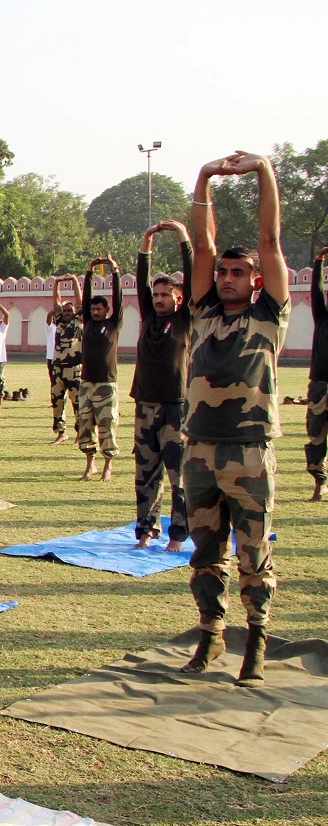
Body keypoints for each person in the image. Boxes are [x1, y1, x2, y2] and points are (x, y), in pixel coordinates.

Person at [179, 151, 290, 688]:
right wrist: (203, 178)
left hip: (248, 448)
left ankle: (258, 640)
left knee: (253, 552)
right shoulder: (202, 311)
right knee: (205, 551)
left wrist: (263, 170)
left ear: (256, 279)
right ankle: (210, 633)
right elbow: (201, 244)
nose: (225, 278)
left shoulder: (269, 313)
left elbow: (270, 241)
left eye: (237, 273)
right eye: (222, 272)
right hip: (198, 447)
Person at [132, 220, 193, 551]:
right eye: (155, 295)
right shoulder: (149, 317)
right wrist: (146, 242)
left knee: (177, 476)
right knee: (146, 474)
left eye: (164, 295)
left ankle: (179, 533)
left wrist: (183, 238)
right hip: (144, 405)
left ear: (178, 299)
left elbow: (193, 275)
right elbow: (141, 278)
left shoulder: (184, 320)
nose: (157, 299)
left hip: (174, 407)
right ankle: (146, 529)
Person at [78, 257, 123, 481]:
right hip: (86, 382)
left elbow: (119, 299)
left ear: (106, 309)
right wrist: (89, 272)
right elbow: (85, 299)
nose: (95, 311)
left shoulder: (113, 324)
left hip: (106, 383)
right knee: (84, 426)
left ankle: (108, 465)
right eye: (93, 309)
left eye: (99, 309)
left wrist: (114, 271)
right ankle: (90, 465)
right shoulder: (87, 322)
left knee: (107, 426)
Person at [49, 275, 82, 444]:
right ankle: (61, 432)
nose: (67, 313)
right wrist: (57, 283)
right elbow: (56, 301)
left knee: (77, 402)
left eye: (70, 310)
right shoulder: (60, 322)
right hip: (58, 368)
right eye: (65, 311)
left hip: (74, 368)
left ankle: (80, 433)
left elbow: (79, 300)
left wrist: (74, 281)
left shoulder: (79, 322)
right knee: (57, 401)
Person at [307, 246, 328, 501]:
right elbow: (316, 292)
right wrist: (319, 261)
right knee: (315, 438)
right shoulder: (322, 317)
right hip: (319, 387)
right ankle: (319, 481)